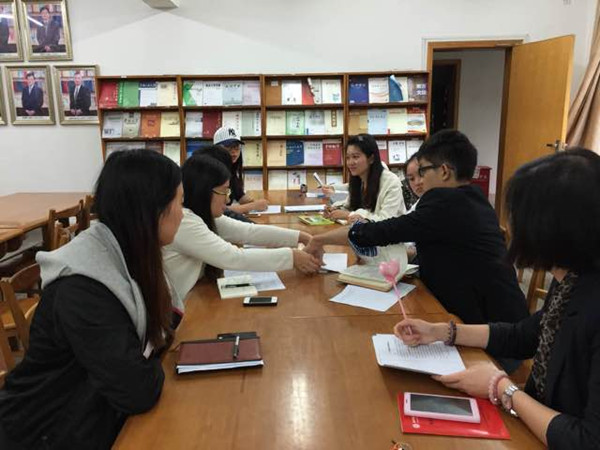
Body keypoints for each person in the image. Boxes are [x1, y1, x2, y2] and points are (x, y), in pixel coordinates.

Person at [394, 148, 600, 449]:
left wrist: (503, 388)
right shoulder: (571, 278)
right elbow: (524, 335)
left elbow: (588, 440)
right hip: (537, 422)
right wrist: (443, 332)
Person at [0, 150, 184, 448]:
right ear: (153, 209)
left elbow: (166, 328)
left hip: (92, 416)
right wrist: (144, 361)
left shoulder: (129, 252)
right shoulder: (83, 288)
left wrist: (143, 359)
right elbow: (136, 390)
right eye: (180, 202)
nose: (183, 214)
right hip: (46, 432)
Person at [306, 130, 528, 337]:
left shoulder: (443, 202)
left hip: (492, 335)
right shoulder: (475, 199)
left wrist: (319, 240)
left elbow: (382, 231)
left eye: (422, 171)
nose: (419, 181)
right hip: (504, 322)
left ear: (444, 171)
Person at [163, 154, 321, 305]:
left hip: (195, 297)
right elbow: (233, 257)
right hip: (179, 310)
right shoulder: (186, 221)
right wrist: (293, 256)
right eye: (224, 191)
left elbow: (248, 231)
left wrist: (303, 237)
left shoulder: (202, 215)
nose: (227, 199)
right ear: (204, 191)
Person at [324, 134, 405, 224]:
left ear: (371, 158)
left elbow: (386, 221)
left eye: (355, 157)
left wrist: (349, 215)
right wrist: (335, 210)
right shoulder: (358, 179)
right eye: (347, 158)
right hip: (363, 231)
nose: (350, 162)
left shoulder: (391, 182)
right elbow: (350, 205)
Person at [213, 126, 269, 214]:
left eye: (236, 147)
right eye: (228, 147)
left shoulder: (230, 170)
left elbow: (240, 196)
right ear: (216, 149)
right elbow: (216, 210)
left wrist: (256, 202)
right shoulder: (210, 171)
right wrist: (252, 206)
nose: (234, 151)